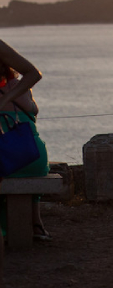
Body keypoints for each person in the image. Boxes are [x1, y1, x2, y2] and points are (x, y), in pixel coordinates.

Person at [0, 40, 50, 247]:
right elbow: (33, 110)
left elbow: (33, 73)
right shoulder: (15, 87)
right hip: (32, 155)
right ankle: (36, 224)